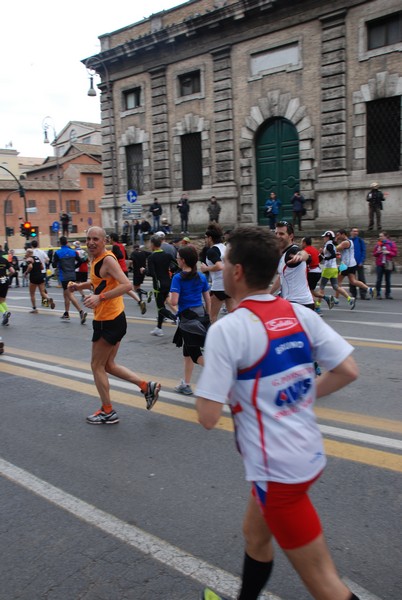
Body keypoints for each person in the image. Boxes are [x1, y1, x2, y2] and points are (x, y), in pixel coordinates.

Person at [195, 225, 361, 600]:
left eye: (223, 262)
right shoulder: (300, 314)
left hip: (279, 471)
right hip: (301, 455)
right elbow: (348, 370)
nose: (219, 267)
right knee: (255, 536)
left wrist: (213, 372)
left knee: (324, 583)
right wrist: (299, 397)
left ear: (236, 271)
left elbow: (207, 417)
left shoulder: (228, 330)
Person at [68, 226, 161, 424]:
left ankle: (108, 411)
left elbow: (126, 285)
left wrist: (99, 298)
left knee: (96, 365)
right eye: (88, 238)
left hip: (109, 320)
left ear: (104, 241)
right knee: (108, 365)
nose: (91, 242)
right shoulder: (95, 260)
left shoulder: (108, 259)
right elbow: (98, 283)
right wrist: (79, 286)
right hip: (111, 318)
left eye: (95, 239)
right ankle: (146, 387)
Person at [170, 244, 211, 396]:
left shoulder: (178, 278)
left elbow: (174, 302)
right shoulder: (200, 276)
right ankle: (186, 384)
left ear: (184, 261)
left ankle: (219, 373)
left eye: (178, 258)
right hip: (200, 316)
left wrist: (169, 298)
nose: (177, 260)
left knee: (195, 355)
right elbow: (208, 299)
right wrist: (208, 317)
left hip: (187, 320)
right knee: (187, 352)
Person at [270, 221, 314, 309]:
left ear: (291, 236)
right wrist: (268, 293)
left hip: (299, 304)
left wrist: (300, 256)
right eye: (276, 233)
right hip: (291, 302)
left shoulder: (293, 251)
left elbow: (304, 254)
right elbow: (281, 277)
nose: (278, 236)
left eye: (281, 234)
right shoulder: (284, 253)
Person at [200, 224, 235, 323]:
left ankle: (214, 337)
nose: (205, 240)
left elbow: (219, 266)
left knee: (211, 317)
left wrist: (206, 268)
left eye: (205, 237)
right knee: (233, 316)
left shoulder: (212, 251)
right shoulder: (224, 248)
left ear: (210, 238)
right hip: (230, 285)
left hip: (219, 287)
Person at [145, 235, 178, 336]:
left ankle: (176, 318)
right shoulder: (167, 255)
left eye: (150, 243)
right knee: (162, 305)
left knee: (160, 308)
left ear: (153, 245)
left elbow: (151, 273)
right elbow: (176, 266)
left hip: (158, 285)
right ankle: (159, 328)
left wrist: (143, 271)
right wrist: (169, 271)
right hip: (168, 283)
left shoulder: (151, 257)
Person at [52, 236, 87, 324]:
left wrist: (58, 264)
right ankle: (66, 313)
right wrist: (74, 267)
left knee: (70, 295)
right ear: (67, 242)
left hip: (64, 276)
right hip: (72, 275)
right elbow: (80, 261)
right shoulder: (73, 252)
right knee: (66, 294)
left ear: (60, 243)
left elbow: (53, 265)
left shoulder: (58, 253)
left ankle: (81, 312)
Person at [109, 232, 146, 314]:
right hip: (124, 269)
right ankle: (139, 300)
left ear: (112, 238)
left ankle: (116, 308)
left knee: (114, 288)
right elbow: (125, 256)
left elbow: (120, 256)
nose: (108, 240)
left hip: (118, 270)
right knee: (126, 288)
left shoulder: (115, 246)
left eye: (109, 238)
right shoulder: (122, 246)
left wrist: (111, 256)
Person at [334, 229, 373, 305]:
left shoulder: (345, 242)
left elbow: (334, 249)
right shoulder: (350, 241)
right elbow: (342, 252)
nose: (337, 236)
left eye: (338, 235)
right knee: (353, 281)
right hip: (352, 264)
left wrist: (335, 240)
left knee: (337, 282)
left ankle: (336, 299)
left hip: (345, 265)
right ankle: (369, 289)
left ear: (343, 234)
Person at [315, 230, 351, 310]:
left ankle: (317, 305)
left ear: (328, 237)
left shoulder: (329, 245)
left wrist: (325, 258)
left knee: (321, 287)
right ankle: (349, 298)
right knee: (335, 286)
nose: (323, 238)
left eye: (324, 237)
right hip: (334, 268)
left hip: (328, 269)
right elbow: (329, 255)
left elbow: (333, 255)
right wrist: (321, 254)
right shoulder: (332, 244)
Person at [24, 249, 55, 314]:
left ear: (29, 253)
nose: (25, 253)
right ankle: (49, 299)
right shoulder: (37, 258)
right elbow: (42, 267)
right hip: (40, 276)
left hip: (33, 277)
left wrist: (26, 272)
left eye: (26, 252)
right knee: (42, 292)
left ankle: (34, 308)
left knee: (32, 294)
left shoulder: (29, 259)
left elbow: (30, 266)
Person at [373, 231, 398, 300]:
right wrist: (378, 252)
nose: (380, 237)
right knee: (379, 280)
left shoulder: (391, 244)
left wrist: (388, 252)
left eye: (381, 236)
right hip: (379, 264)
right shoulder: (378, 244)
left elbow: (395, 253)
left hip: (388, 263)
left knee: (388, 280)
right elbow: (374, 254)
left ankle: (388, 294)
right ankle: (378, 294)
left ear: (385, 236)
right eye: (379, 236)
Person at [301, 236, 323, 314]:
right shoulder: (315, 249)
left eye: (302, 242)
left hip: (312, 272)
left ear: (304, 243)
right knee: (311, 290)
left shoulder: (305, 250)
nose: (301, 244)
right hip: (318, 271)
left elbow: (307, 261)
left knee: (308, 291)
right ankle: (326, 298)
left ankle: (317, 308)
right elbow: (321, 258)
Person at [349, 228, 368, 300]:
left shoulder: (360, 240)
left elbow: (363, 251)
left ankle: (363, 294)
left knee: (361, 278)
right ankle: (353, 294)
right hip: (351, 263)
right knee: (352, 279)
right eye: (354, 231)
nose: (356, 233)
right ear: (351, 232)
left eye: (357, 231)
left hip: (359, 263)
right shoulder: (348, 241)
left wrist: (361, 261)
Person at [0, 251, 15, 325]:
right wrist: (7, 276)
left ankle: (5, 313)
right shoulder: (4, 260)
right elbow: (13, 271)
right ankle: (6, 314)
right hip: (5, 280)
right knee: (2, 300)